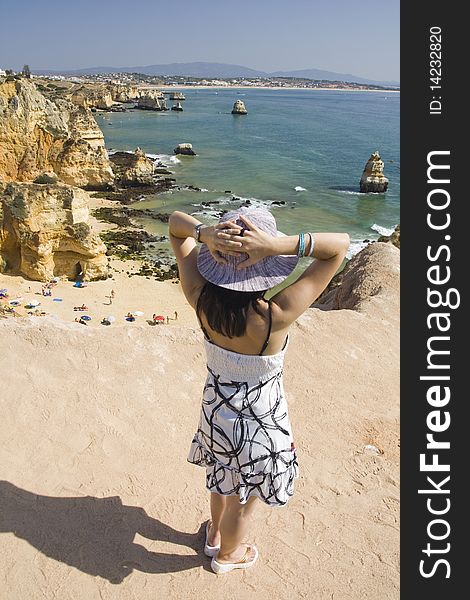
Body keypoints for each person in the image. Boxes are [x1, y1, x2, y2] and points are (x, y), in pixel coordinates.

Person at [169, 207, 349, 574]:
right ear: (265, 268)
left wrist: (206, 233)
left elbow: (176, 228)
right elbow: (338, 248)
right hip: (260, 423)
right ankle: (228, 557)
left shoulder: (198, 296)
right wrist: (276, 245)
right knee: (244, 498)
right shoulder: (274, 316)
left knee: (221, 478)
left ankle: (214, 537)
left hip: (216, 410)